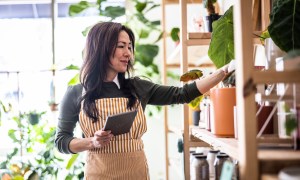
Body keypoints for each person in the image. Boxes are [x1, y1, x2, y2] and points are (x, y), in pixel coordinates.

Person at [55, 21, 234, 179]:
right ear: (101, 48)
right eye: (121, 46)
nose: (128, 54)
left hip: (136, 174)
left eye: (130, 47)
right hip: (98, 175)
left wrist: (224, 71)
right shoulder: (76, 93)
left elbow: (182, 94)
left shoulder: (137, 88)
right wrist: (91, 142)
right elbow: (61, 141)